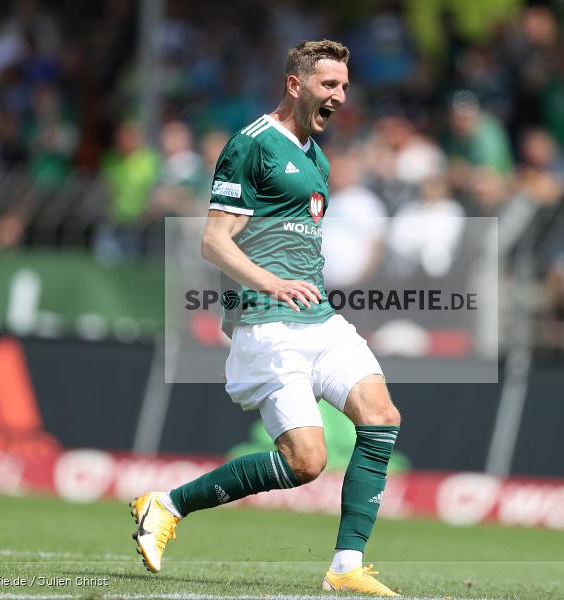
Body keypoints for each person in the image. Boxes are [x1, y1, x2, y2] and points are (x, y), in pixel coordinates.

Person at [129, 40, 402, 597]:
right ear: (296, 85)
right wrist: (271, 283)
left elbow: (295, 241)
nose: (340, 96)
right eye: (330, 85)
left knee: (381, 417)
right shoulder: (250, 146)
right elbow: (214, 241)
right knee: (307, 463)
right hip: (268, 322)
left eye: (345, 86)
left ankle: (346, 566)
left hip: (319, 319)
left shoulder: (316, 156)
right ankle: (168, 504)